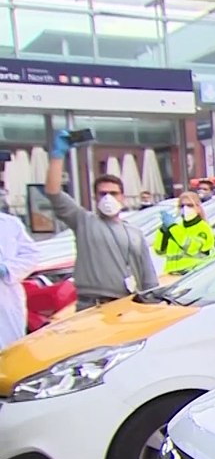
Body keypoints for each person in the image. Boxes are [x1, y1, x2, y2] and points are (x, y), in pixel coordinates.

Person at [44, 130, 159, 311]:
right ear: (95, 197)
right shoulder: (84, 221)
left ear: (122, 197)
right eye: (102, 194)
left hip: (124, 304)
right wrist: (58, 157)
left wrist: (153, 306)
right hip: (91, 304)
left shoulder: (134, 233)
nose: (108, 198)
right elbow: (53, 193)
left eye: (113, 193)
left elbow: (148, 275)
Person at [0, 210, 39, 349]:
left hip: (7, 297)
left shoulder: (10, 224)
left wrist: (7, 268)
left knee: (11, 349)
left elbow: (31, 256)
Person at [154, 191, 215, 275]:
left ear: (198, 208)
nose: (185, 208)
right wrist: (163, 231)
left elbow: (192, 248)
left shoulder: (203, 228)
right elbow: (159, 251)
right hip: (173, 274)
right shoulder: (178, 227)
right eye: (182, 206)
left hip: (193, 274)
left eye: (190, 205)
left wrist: (172, 227)